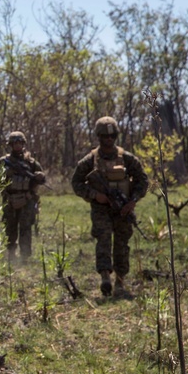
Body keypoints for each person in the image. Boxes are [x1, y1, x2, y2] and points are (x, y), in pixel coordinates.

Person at [70, 116, 148, 297]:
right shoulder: (90, 160)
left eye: (112, 135)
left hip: (123, 209)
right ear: (98, 137)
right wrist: (95, 195)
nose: (109, 139)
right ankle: (105, 277)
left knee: (122, 244)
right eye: (105, 136)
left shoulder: (127, 158)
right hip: (101, 209)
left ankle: (120, 281)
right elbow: (76, 183)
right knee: (103, 240)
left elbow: (142, 180)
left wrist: (133, 201)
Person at [0, 131, 46, 262]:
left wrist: (39, 178)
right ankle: (11, 254)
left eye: (20, 143)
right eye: (15, 144)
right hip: (10, 198)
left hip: (27, 198)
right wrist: (6, 192)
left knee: (25, 228)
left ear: (23, 144)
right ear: (11, 145)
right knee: (10, 227)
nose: (18, 146)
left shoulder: (31, 163)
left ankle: (24, 257)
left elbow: (39, 180)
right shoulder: (4, 162)